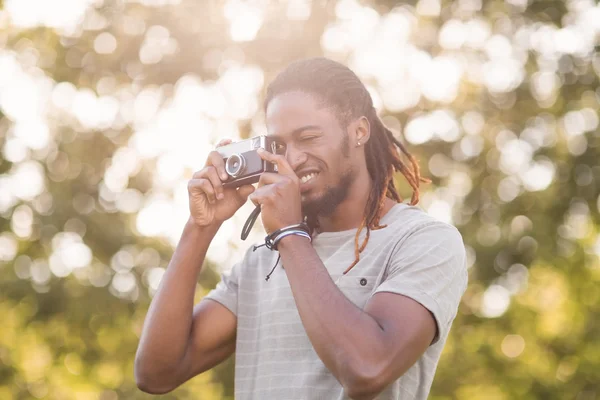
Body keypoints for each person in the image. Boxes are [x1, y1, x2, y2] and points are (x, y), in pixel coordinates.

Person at [134, 57, 468, 400]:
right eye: (279, 145)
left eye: (308, 137)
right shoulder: (262, 261)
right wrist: (200, 228)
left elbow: (367, 369)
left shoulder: (422, 241)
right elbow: (156, 373)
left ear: (359, 131)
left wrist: (291, 234)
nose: (292, 160)